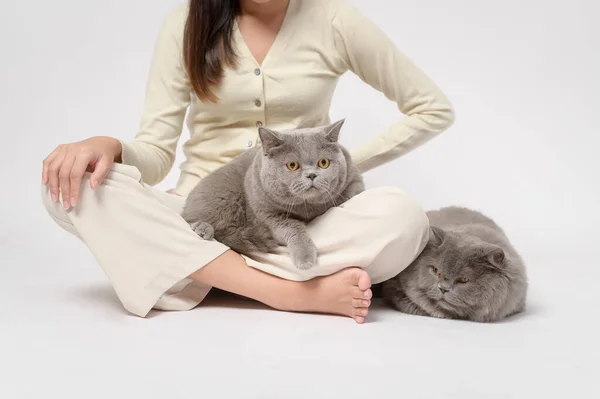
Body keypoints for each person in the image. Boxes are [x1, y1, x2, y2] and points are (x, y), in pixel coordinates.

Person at [41, 0, 454, 324]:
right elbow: (158, 151)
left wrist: (335, 169)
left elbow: (431, 108)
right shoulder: (185, 23)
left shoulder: (334, 20)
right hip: (197, 221)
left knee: (403, 217)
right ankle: (287, 292)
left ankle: (204, 275)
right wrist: (108, 146)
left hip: (304, 225)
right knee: (66, 190)